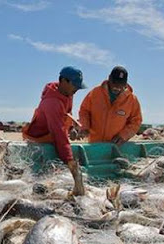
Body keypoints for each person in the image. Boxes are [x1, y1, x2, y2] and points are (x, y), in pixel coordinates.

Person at [22, 66, 87, 196]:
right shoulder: (52, 103)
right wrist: (70, 161)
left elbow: (67, 114)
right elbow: (59, 135)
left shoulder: (68, 93)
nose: (76, 90)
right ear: (64, 81)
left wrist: (72, 128)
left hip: (54, 135)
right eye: (75, 85)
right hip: (39, 139)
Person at [78, 66, 142, 146]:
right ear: (109, 78)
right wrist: (85, 126)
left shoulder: (132, 100)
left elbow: (136, 121)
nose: (117, 87)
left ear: (125, 83)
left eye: (121, 84)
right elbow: (84, 111)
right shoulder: (95, 93)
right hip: (95, 144)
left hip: (116, 146)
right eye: (114, 83)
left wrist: (123, 135)